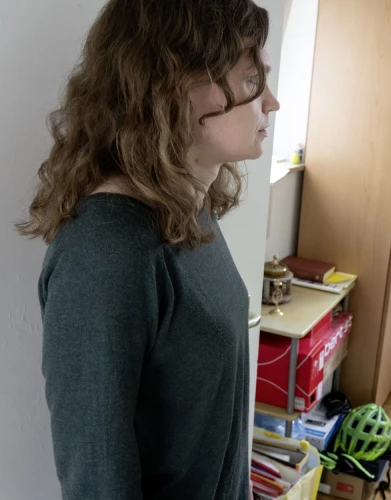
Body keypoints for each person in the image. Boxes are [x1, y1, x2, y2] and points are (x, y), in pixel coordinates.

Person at [16, 0, 279, 498]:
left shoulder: (186, 207)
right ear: (175, 84)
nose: (271, 101)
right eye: (251, 80)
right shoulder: (105, 257)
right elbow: (99, 483)